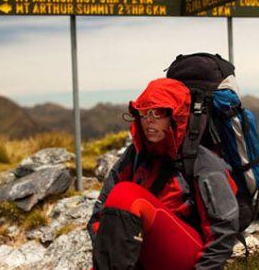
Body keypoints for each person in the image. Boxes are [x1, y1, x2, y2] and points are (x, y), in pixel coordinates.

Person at [87, 77, 239, 270]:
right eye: (143, 112)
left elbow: (223, 230)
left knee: (126, 194)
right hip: (144, 252)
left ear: (177, 116)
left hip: (188, 256)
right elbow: (100, 217)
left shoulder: (203, 162)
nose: (149, 120)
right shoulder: (135, 155)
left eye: (158, 113)